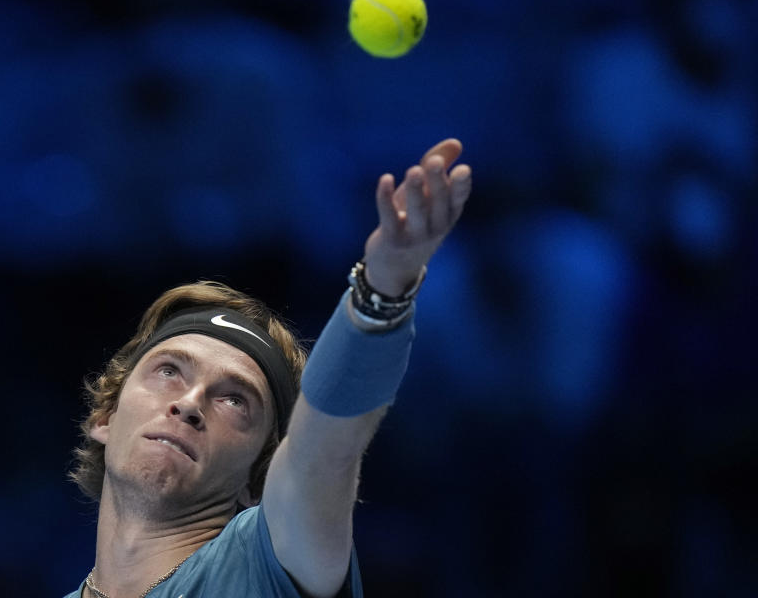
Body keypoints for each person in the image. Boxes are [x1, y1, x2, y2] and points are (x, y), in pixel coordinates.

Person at [64, 138, 473, 598]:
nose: (189, 402)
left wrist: (384, 287)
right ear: (104, 417)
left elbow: (321, 453)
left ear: (258, 480)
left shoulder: (264, 562)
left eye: (234, 400)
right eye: (168, 371)